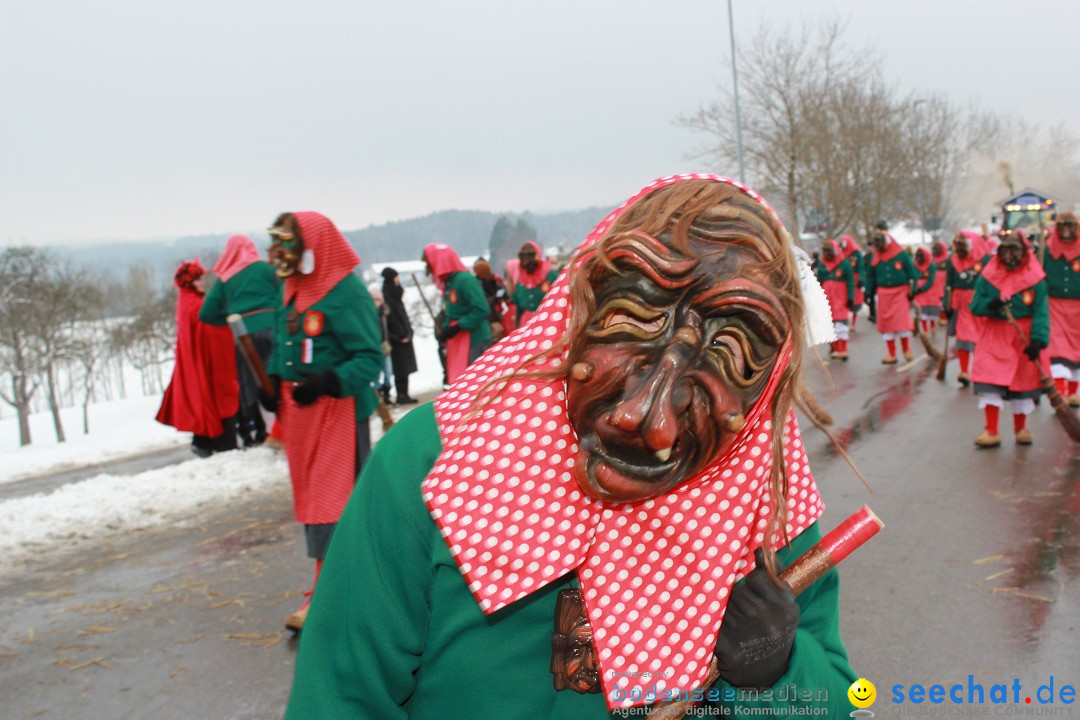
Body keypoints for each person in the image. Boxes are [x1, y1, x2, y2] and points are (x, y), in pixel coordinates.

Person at [285, 175, 857, 719]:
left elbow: (845, 697)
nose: (645, 421)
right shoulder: (436, 465)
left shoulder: (757, 498)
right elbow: (339, 697)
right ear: (579, 309)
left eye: (703, 387)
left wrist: (781, 671)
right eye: (631, 336)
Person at [262, 211, 383, 631]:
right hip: (301, 414)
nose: (281, 253)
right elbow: (284, 339)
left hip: (337, 411)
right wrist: (274, 377)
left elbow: (369, 357)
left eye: (289, 243)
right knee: (314, 504)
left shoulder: (345, 291)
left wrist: (332, 379)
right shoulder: (291, 286)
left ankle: (328, 594)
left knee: (337, 505)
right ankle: (335, 586)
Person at [198, 234, 281, 447]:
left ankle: (255, 431)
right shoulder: (267, 270)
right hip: (274, 328)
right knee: (279, 377)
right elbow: (287, 292)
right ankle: (283, 425)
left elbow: (206, 313)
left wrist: (228, 317)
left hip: (243, 336)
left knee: (249, 384)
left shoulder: (226, 279)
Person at [970, 232, 1050, 448]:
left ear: (1024, 253)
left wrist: (1038, 341)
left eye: (1015, 251)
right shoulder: (988, 276)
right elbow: (975, 306)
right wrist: (991, 304)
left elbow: (1042, 311)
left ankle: (1021, 428)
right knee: (989, 379)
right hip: (995, 334)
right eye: (1006, 251)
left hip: (1022, 334)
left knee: (1021, 382)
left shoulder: (1036, 278)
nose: (1010, 256)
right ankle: (992, 430)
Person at [156, 259, 240, 457]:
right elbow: (210, 332)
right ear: (189, 282)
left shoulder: (186, 302)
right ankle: (220, 443)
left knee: (205, 398)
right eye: (198, 279)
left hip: (196, 362)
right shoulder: (195, 306)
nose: (202, 282)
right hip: (206, 363)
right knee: (218, 398)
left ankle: (203, 441)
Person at [422, 243, 491, 384]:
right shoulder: (450, 283)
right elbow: (453, 311)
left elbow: (482, 309)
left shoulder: (465, 281)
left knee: (477, 384)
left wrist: (459, 326)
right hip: (459, 342)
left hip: (475, 341)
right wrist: (445, 330)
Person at [862, 224, 918, 364]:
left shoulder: (902, 255)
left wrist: (913, 290)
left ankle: (906, 350)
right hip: (884, 294)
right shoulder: (876, 258)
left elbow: (912, 274)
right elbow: (870, 276)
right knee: (887, 324)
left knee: (901, 322)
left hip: (900, 292)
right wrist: (868, 293)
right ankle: (891, 353)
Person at [944, 230, 992, 386]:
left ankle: (980, 371)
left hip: (980, 303)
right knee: (963, 337)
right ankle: (964, 371)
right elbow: (949, 285)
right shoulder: (953, 261)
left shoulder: (986, 260)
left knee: (981, 338)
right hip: (961, 303)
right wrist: (947, 304)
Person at [1043, 212, 1080, 407]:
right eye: (1062, 225)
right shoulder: (1046, 250)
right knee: (1056, 348)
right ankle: (1061, 393)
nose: (1066, 230)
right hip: (1054, 305)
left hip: (1078, 308)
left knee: (1077, 349)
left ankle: (1073, 392)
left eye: (1070, 225)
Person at [381, 267, 419, 404]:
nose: (398, 280)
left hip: (404, 335)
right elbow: (389, 320)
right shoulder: (386, 295)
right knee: (399, 368)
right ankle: (400, 394)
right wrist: (398, 336)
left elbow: (402, 315)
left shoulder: (396, 294)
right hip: (396, 338)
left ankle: (405, 394)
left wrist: (409, 332)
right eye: (396, 277)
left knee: (406, 367)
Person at [816, 238, 855, 360]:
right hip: (827, 299)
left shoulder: (844, 264)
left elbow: (850, 281)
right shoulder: (822, 264)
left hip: (840, 298)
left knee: (841, 323)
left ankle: (843, 349)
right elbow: (818, 281)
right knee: (830, 325)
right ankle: (835, 349)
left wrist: (850, 297)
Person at [510, 240, 560, 327]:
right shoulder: (520, 281)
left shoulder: (551, 276)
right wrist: (516, 329)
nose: (527, 262)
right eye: (524, 257)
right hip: (526, 325)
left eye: (530, 256)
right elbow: (519, 309)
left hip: (548, 323)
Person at [472, 257, 510, 342]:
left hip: (496, 314)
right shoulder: (476, 282)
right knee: (497, 340)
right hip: (491, 316)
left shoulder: (493, 279)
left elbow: (504, 292)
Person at [912, 245, 944, 336]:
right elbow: (913, 277)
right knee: (922, 311)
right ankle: (925, 331)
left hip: (931, 290)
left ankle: (933, 325)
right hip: (919, 293)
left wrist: (922, 288)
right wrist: (915, 289)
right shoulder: (914, 265)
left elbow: (931, 279)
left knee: (931, 309)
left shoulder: (931, 265)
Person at [837, 235, 864, 330]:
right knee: (845, 300)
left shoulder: (856, 254)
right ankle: (845, 321)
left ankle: (853, 323)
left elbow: (861, 267)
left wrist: (861, 279)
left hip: (855, 279)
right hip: (844, 280)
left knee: (855, 301)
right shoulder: (840, 252)